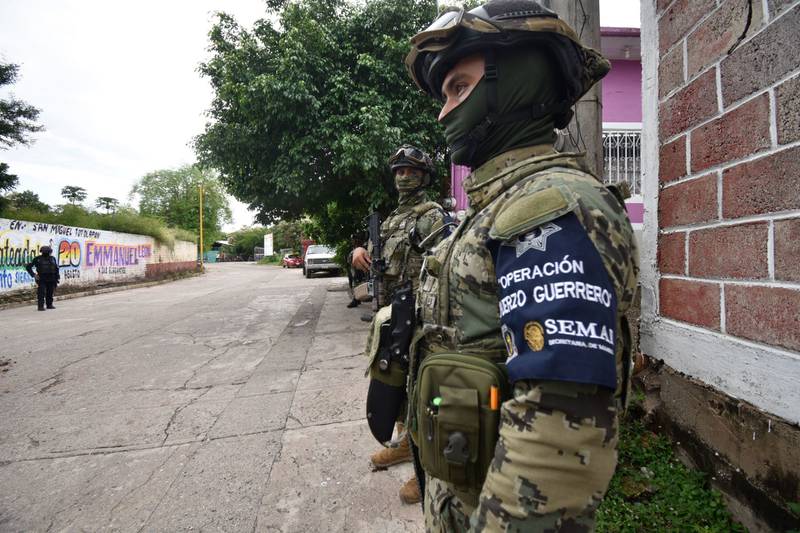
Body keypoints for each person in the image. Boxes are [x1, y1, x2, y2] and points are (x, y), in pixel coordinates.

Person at [403, 1, 639, 530]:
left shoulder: (551, 207)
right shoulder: (495, 206)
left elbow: (557, 436)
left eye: (459, 88)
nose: (443, 113)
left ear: (518, 82)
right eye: (444, 96)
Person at [352, 145, 452, 505]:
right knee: (396, 383)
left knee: (424, 391)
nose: (403, 177)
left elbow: (445, 267)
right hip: (392, 314)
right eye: (398, 171)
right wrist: (358, 253)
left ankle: (427, 468)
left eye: (411, 171)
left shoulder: (432, 216)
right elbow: (376, 257)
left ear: (424, 177)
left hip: (421, 317)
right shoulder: (393, 218)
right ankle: (405, 444)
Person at [25, 245, 60, 311]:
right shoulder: (37, 259)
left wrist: (57, 278)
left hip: (51, 278)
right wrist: (34, 275)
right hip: (42, 278)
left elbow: (56, 268)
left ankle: (49, 305)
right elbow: (28, 267)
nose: (46, 253)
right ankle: (40, 306)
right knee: (41, 293)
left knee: (50, 292)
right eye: (45, 252)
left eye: (48, 252)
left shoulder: (53, 258)